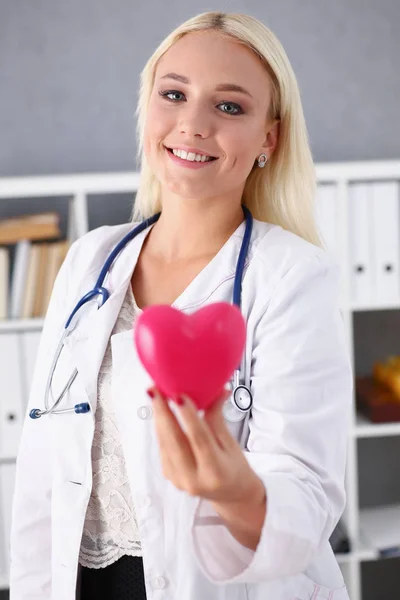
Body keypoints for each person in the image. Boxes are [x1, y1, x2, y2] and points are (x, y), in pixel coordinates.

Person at [10, 10, 353, 600]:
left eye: (229, 107)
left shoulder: (293, 277)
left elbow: (308, 496)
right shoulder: (89, 261)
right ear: (149, 108)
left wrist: (235, 489)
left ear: (268, 138)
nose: (192, 124)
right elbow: (43, 467)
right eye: (174, 94)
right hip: (78, 580)